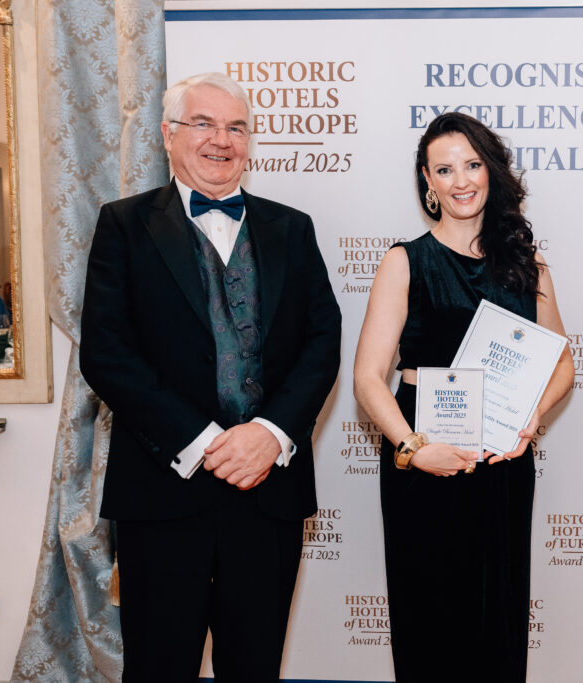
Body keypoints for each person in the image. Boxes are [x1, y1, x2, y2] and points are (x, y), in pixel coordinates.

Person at [79, 72, 341, 682]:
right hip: (163, 491)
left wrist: (269, 433)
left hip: (268, 488)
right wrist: (204, 443)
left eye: (236, 127)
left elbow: (321, 341)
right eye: (203, 123)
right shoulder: (122, 224)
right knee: (159, 666)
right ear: (169, 136)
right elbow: (107, 353)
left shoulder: (292, 228)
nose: (221, 140)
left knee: (255, 667)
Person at [353, 112, 574, 682]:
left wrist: (529, 418)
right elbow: (368, 377)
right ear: (427, 183)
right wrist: (410, 448)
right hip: (422, 461)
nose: (461, 180)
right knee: (430, 616)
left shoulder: (529, 263)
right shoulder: (405, 261)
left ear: (491, 171)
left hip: (502, 459)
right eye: (444, 169)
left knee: (496, 617)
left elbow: (563, 363)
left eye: (472, 164)